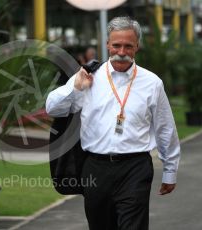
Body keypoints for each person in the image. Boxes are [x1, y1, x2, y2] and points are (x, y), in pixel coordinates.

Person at [46, 16, 180, 230]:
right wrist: (76, 88)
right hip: (95, 168)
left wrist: (170, 170)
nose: (122, 51)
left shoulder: (152, 83)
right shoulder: (87, 77)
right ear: (107, 44)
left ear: (137, 46)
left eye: (128, 46)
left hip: (135, 167)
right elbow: (53, 108)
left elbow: (165, 128)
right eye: (116, 45)